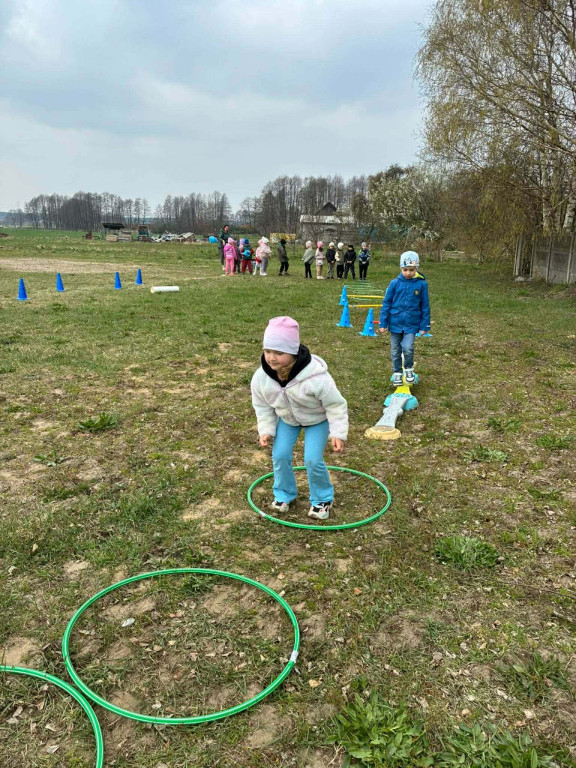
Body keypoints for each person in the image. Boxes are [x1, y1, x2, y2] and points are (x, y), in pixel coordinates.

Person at [251, 316, 348, 520]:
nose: (272, 358)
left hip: (317, 420)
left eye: (279, 352)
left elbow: (335, 404)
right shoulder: (262, 377)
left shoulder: (316, 377)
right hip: (287, 419)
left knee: (312, 459)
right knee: (279, 455)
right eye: (268, 351)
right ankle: (284, 493)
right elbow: (262, 405)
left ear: (293, 352)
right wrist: (266, 429)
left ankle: (322, 499)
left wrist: (338, 432)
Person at [378, 251, 431, 386]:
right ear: (401, 268)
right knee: (395, 350)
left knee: (407, 348)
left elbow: (425, 306)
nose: (408, 273)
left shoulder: (421, 285)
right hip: (395, 322)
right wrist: (383, 322)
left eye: (411, 270)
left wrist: (424, 326)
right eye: (405, 270)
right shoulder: (394, 283)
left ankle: (408, 369)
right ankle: (397, 372)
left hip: (412, 323)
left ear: (416, 269)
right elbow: (387, 303)